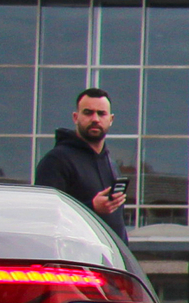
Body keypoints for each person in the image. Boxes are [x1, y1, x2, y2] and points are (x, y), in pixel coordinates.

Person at [34, 88, 129, 244]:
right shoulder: (57, 160)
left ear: (111, 119)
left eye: (101, 113)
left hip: (111, 263)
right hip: (76, 262)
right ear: (75, 117)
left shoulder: (110, 163)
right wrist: (92, 208)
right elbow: (44, 216)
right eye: (88, 112)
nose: (95, 119)